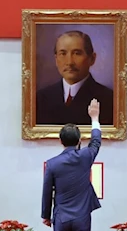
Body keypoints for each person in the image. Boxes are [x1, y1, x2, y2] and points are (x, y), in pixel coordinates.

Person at [41, 98, 102, 231]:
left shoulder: (52, 164)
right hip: (82, 217)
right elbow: (96, 141)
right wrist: (95, 118)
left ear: (60, 141)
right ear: (79, 140)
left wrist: (46, 215)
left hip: (61, 218)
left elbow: (47, 192)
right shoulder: (85, 156)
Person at [36, 30, 113, 126]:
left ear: (92, 59)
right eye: (63, 54)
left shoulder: (109, 100)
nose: (69, 62)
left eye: (77, 53)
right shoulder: (40, 99)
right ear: (56, 60)